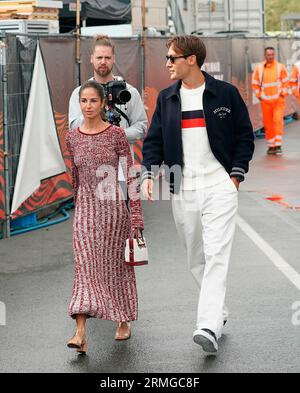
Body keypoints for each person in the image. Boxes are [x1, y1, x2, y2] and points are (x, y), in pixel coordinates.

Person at [141, 35, 254, 355]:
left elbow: (244, 137)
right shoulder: (167, 99)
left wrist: (235, 177)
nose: (167, 64)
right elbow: (154, 142)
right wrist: (148, 173)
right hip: (184, 189)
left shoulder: (225, 94)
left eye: (172, 58)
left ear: (191, 59)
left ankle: (206, 325)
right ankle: (218, 313)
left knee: (217, 254)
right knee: (196, 260)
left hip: (220, 186)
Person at [66, 80, 144, 354]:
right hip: (85, 211)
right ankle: (80, 332)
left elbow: (131, 176)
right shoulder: (72, 137)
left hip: (113, 211)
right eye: (83, 101)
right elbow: (75, 180)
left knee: (115, 269)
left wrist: (136, 218)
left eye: (93, 101)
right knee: (84, 269)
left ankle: (122, 319)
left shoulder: (116, 136)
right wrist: (79, 213)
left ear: (102, 104)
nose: (87, 106)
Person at [69, 34, 147, 159]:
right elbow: (73, 127)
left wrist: (116, 135)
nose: (103, 62)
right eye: (99, 57)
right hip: (89, 164)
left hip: (122, 166)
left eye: (107, 57)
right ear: (91, 58)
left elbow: (141, 127)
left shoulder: (129, 92)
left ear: (114, 59)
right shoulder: (79, 93)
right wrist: (95, 112)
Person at [252, 47, 289, 155]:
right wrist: (260, 96)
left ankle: (278, 145)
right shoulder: (259, 68)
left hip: (278, 101)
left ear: (274, 55)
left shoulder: (280, 67)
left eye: (272, 54)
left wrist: (282, 93)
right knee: (268, 124)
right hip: (265, 102)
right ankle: (271, 146)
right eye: (269, 55)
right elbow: (255, 83)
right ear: (265, 55)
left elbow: (286, 82)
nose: (271, 57)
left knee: (277, 121)